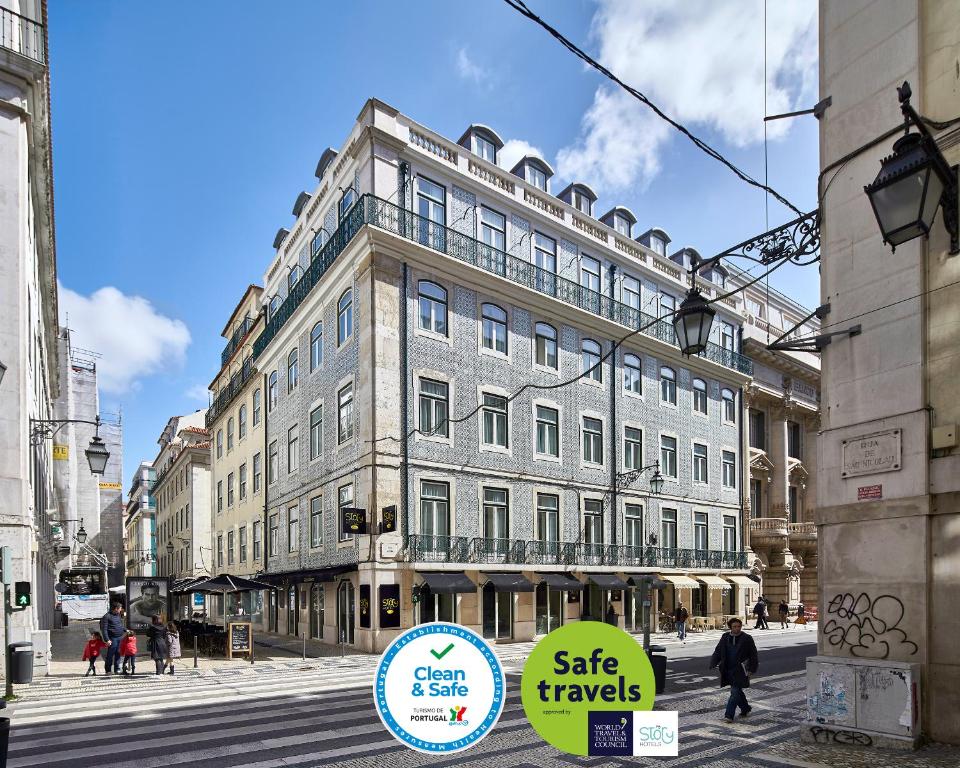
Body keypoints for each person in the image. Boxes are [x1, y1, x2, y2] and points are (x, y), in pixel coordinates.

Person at [709, 618, 759, 722]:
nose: (737, 629)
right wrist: (713, 663)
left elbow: (753, 655)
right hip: (728, 669)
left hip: (741, 670)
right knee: (737, 691)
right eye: (734, 627)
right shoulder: (725, 637)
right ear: (730, 627)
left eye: (738, 626)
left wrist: (752, 669)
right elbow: (718, 651)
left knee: (735, 691)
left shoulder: (747, 638)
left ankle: (729, 715)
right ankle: (745, 708)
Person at [99, 603, 126, 674]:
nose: (121, 610)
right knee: (110, 655)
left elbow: (120, 625)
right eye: (120, 608)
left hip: (120, 637)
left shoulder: (118, 615)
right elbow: (104, 629)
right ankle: (108, 670)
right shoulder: (107, 616)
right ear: (116, 609)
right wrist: (107, 639)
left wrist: (126, 630)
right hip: (112, 638)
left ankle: (117, 669)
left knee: (118, 653)